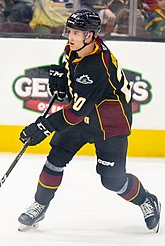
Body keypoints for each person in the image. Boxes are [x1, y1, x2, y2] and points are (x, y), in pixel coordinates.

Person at [17, 9, 161, 233]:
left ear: (91, 35)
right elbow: (78, 98)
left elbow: (75, 112)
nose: (71, 37)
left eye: (77, 32)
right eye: (70, 31)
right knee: (55, 159)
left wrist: (44, 126)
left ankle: (146, 201)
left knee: (112, 181)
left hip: (109, 125)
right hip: (83, 118)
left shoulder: (96, 67)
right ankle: (40, 205)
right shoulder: (77, 49)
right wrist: (65, 84)